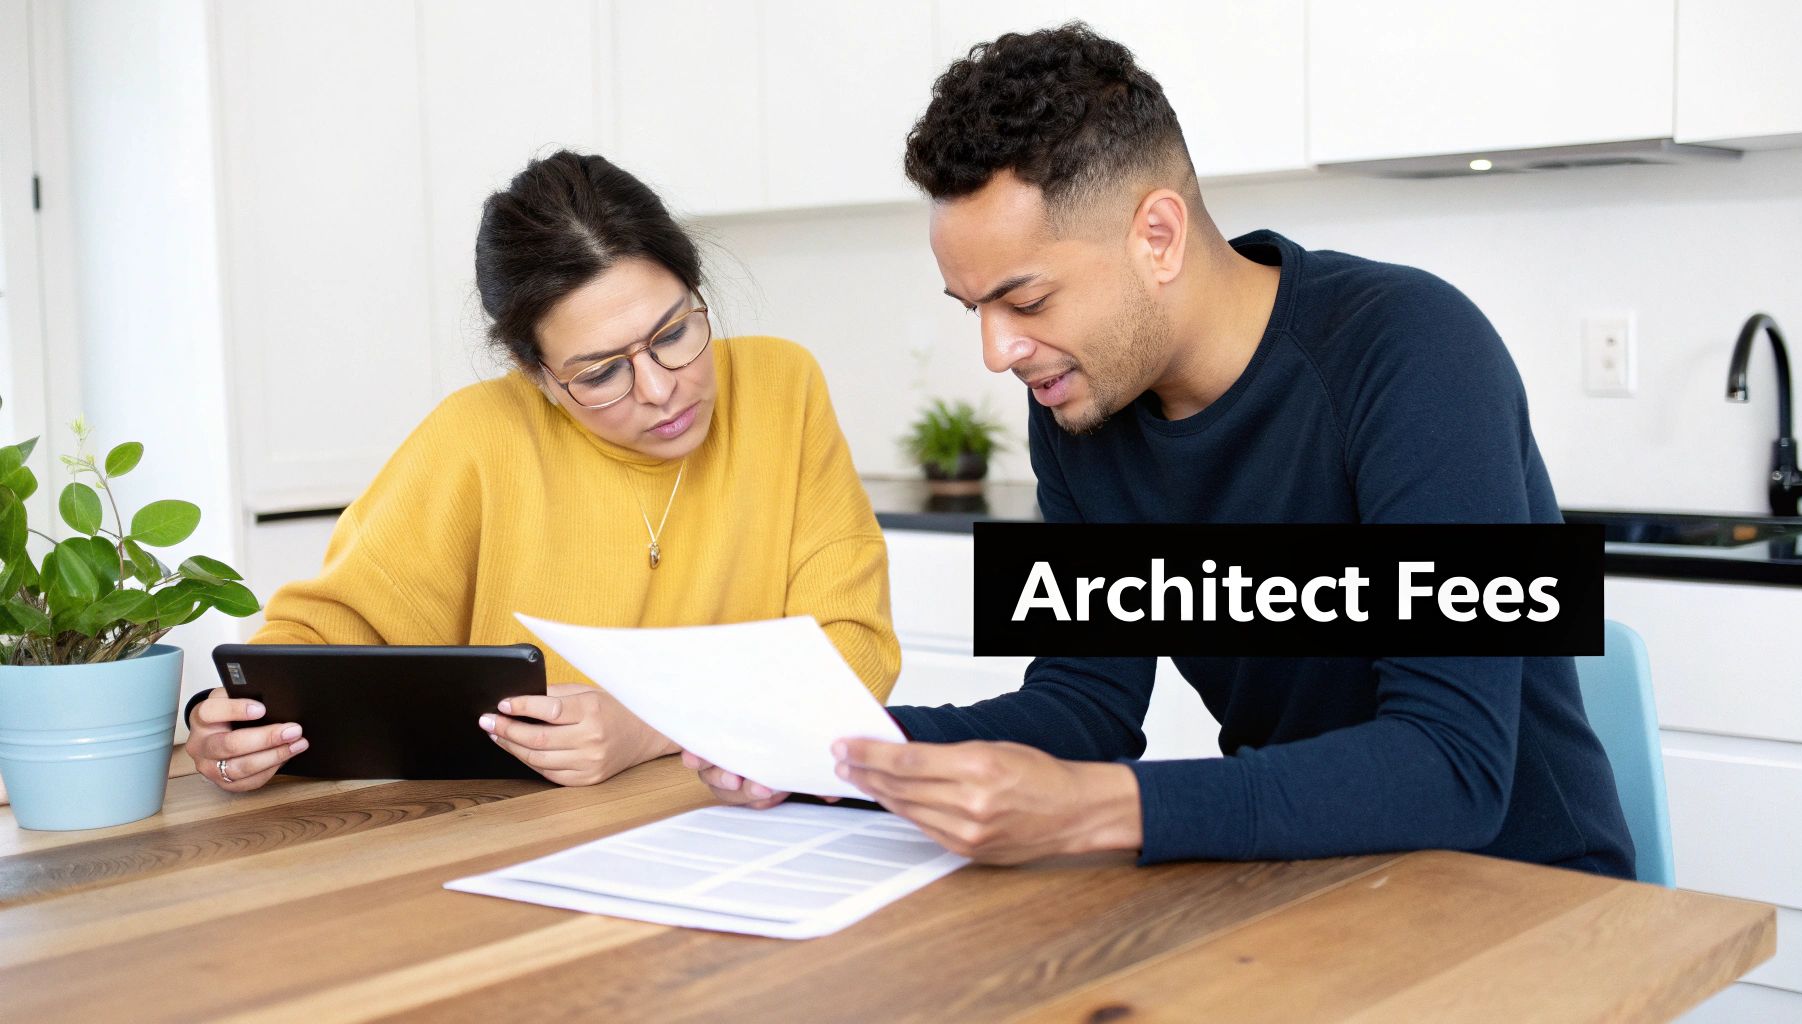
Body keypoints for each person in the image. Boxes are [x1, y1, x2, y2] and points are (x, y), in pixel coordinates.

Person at [690, 24, 1635, 879]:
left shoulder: (1415, 348)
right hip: (1306, 877)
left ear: (1157, 235)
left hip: (1527, 893)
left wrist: (1101, 809)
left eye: (1026, 301)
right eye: (975, 311)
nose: (998, 351)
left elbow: (1452, 766)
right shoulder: (1079, 409)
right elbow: (1085, 702)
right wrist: (833, 749)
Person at [184, 151, 899, 792]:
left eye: (675, 333)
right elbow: (319, 641)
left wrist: (648, 729)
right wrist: (233, 728)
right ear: (537, 376)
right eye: (600, 373)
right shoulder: (475, 436)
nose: (658, 389)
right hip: (509, 845)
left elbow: (854, 648)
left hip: (732, 825)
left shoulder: (783, 386)